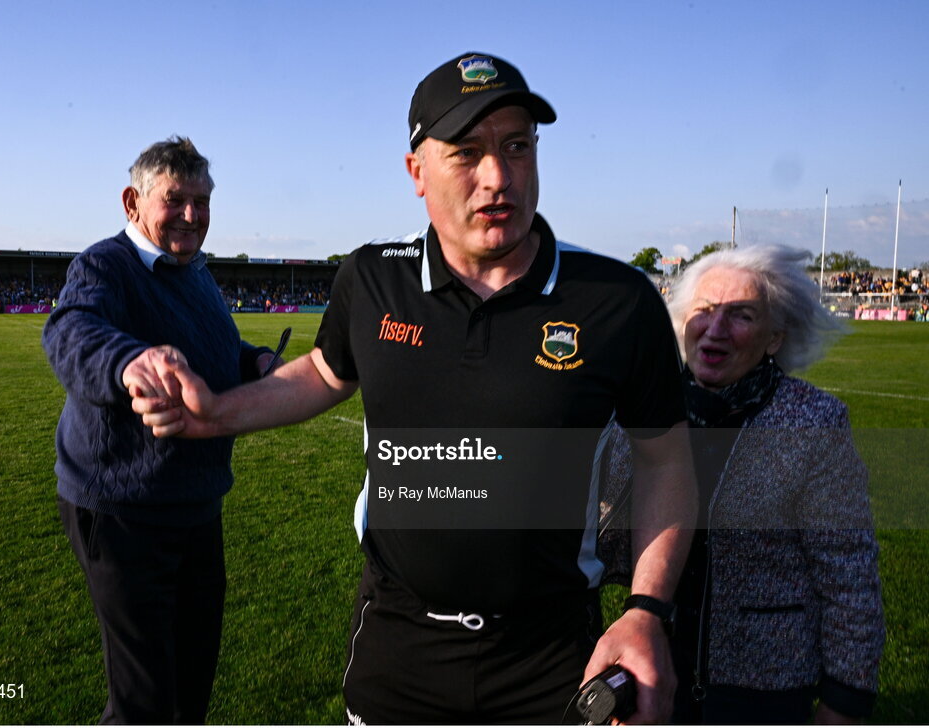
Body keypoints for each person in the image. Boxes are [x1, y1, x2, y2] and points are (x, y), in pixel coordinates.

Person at [132, 53, 696, 724]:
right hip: (398, 642)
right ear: (416, 173)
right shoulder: (372, 280)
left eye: (517, 146)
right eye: (466, 153)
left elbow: (666, 459)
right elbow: (321, 372)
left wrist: (645, 610)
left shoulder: (615, 301)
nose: (498, 176)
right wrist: (216, 414)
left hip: (551, 653)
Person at [42, 137, 278, 724]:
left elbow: (214, 345)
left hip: (197, 503)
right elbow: (70, 331)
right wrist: (130, 363)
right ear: (132, 202)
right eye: (176, 199)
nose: (193, 216)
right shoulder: (104, 264)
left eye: (202, 202)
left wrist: (253, 363)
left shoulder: (194, 271)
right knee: (144, 701)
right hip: (124, 510)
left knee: (192, 683)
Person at [600, 245, 885, 724]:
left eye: (741, 315)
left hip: (762, 690)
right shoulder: (644, 410)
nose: (716, 329)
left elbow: (849, 578)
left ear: (774, 338)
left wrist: (844, 702)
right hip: (652, 666)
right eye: (704, 311)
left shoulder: (814, 423)